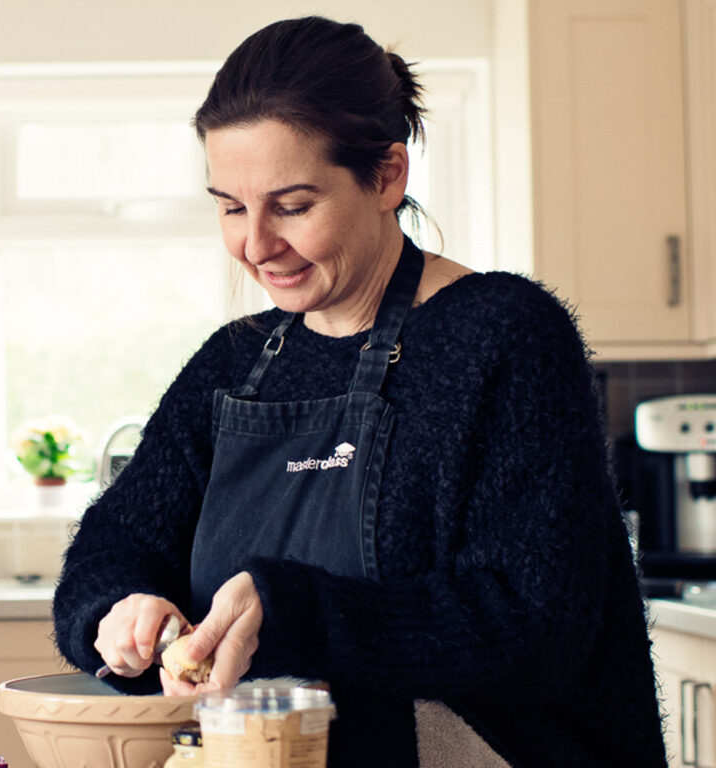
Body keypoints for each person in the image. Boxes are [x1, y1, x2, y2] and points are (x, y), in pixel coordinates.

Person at [53, 16, 666, 768]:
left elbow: (536, 627)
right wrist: (119, 610)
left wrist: (295, 610)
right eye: (230, 206)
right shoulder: (236, 364)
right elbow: (112, 548)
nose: (254, 244)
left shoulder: (504, 337)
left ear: (386, 177)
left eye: (293, 205)